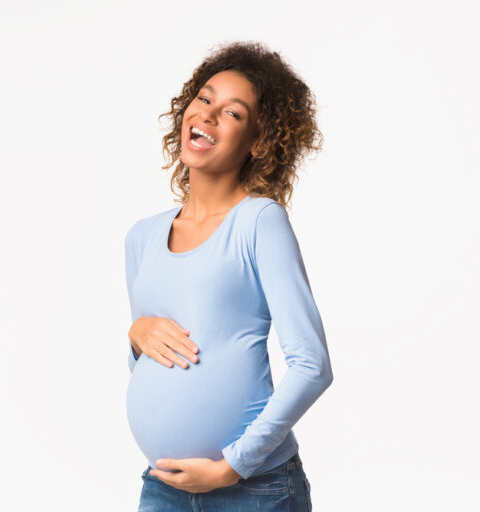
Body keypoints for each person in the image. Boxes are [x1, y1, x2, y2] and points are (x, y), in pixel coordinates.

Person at [124, 40, 333, 511]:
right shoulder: (141, 237)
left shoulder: (259, 221)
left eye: (233, 113)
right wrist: (136, 336)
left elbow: (312, 365)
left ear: (259, 142)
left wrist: (233, 465)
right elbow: (155, 364)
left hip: (252, 489)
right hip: (163, 486)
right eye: (204, 99)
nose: (209, 115)